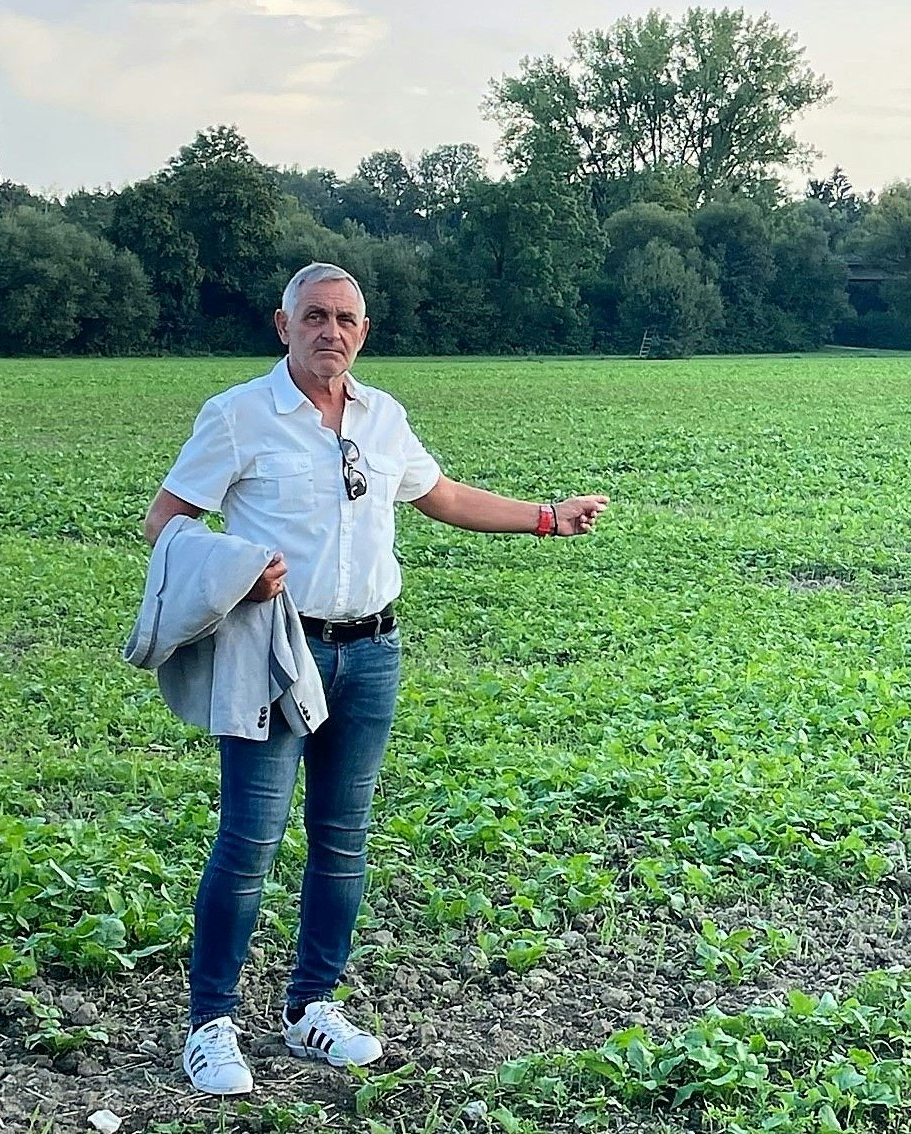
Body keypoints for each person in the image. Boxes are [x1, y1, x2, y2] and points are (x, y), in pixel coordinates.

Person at [142, 263, 610, 1096]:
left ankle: (311, 1007)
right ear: (282, 325)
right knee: (249, 843)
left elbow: (446, 496)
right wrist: (234, 574)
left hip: (372, 653)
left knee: (342, 843)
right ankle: (211, 1023)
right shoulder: (239, 417)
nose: (332, 331)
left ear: (364, 330)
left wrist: (546, 516)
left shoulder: (383, 418)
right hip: (277, 651)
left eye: (347, 319)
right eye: (315, 316)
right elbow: (167, 521)